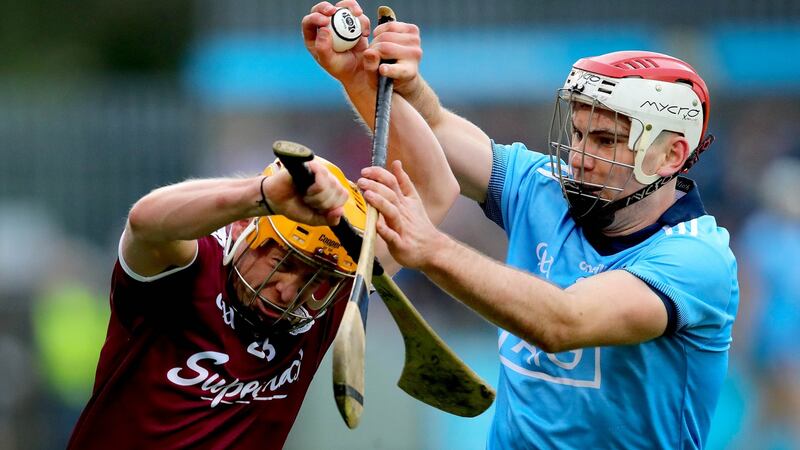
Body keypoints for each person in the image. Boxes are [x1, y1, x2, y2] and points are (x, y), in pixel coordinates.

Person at [304, 3, 739, 448]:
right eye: (579, 133)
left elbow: (563, 322)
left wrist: (432, 249)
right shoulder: (546, 188)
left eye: (607, 141)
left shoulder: (697, 260)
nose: (580, 157)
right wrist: (363, 75)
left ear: (670, 155)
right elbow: (433, 131)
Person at [67, 132, 457, 448]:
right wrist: (263, 196)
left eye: (314, 279)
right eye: (283, 263)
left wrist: (362, 77)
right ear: (244, 232)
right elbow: (144, 222)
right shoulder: (186, 269)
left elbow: (439, 190)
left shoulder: (331, 296)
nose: (291, 291)